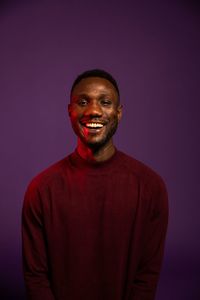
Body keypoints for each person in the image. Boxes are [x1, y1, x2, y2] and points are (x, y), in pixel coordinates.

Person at [22, 69, 168, 300]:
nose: (93, 111)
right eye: (82, 102)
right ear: (69, 111)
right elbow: (36, 277)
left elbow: (146, 275)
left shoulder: (150, 187)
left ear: (119, 113)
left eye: (105, 102)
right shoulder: (41, 189)